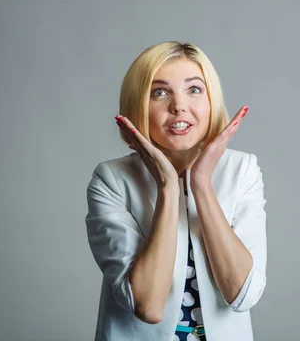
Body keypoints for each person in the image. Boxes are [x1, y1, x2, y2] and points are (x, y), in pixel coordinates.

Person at [85, 41, 267, 340]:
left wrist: (201, 183)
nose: (179, 105)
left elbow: (243, 295)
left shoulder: (242, 169)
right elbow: (148, 307)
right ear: (138, 105)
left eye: (194, 89)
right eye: (160, 92)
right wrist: (169, 187)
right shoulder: (112, 179)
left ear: (211, 100)